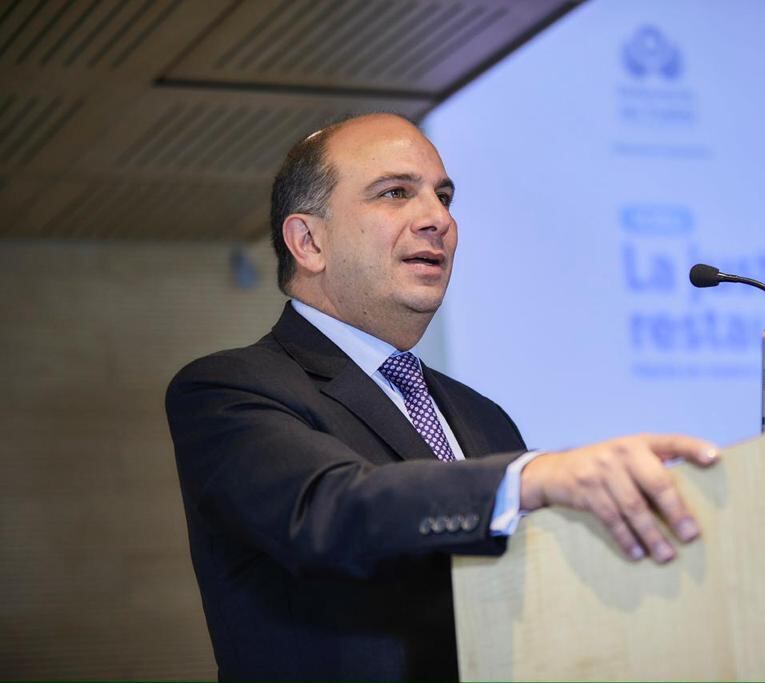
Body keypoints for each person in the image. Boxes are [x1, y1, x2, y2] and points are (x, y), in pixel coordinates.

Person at [165, 113, 718, 680]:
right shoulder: (228, 389)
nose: (438, 219)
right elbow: (329, 509)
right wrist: (533, 479)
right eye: (396, 193)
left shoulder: (484, 417)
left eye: (444, 196)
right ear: (308, 242)